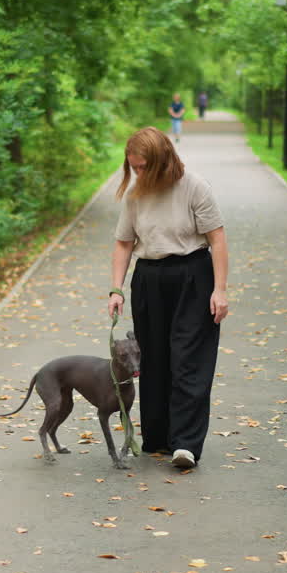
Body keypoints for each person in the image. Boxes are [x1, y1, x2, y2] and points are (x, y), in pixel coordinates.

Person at [107, 127, 229, 470]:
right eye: (134, 167)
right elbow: (123, 243)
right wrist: (116, 289)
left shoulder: (194, 186)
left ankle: (186, 443)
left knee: (189, 356)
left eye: (145, 166)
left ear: (163, 161)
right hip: (149, 278)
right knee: (155, 359)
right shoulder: (135, 194)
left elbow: (217, 240)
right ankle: (158, 438)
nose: (139, 173)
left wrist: (220, 290)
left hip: (193, 274)